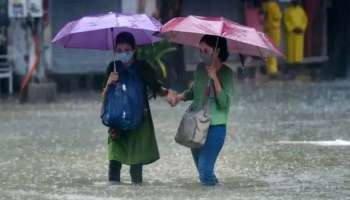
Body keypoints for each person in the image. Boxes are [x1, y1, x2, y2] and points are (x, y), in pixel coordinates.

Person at [102, 32, 173, 185]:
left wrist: (168, 95)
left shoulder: (143, 67)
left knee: (136, 168)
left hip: (139, 122)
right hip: (116, 123)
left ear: (134, 49)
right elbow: (104, 97)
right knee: (114, 163)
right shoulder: (112, 68)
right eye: (119, 50)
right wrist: (108, 83)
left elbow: (155, 86)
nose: (123, 53)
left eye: (127, 49)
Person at [168, 35, 234, 186]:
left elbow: (224, 104)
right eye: (200, 50)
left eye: (206, 50)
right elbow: (193, 91)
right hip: (195, 126)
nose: (202, 54)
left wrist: (215, 78)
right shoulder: (199, 68)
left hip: (215, 127)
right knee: (203, 172)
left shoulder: (227, 73)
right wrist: (178, 98)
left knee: (205, 170)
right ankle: (218, 193)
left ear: (216, 51)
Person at [262, 0, 282, 77]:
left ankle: (269, 69)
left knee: (268, 49)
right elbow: (278, 16)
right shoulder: (273, 5)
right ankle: (273, 70)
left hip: (268, 29)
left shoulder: (266, 6)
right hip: (273, 29)